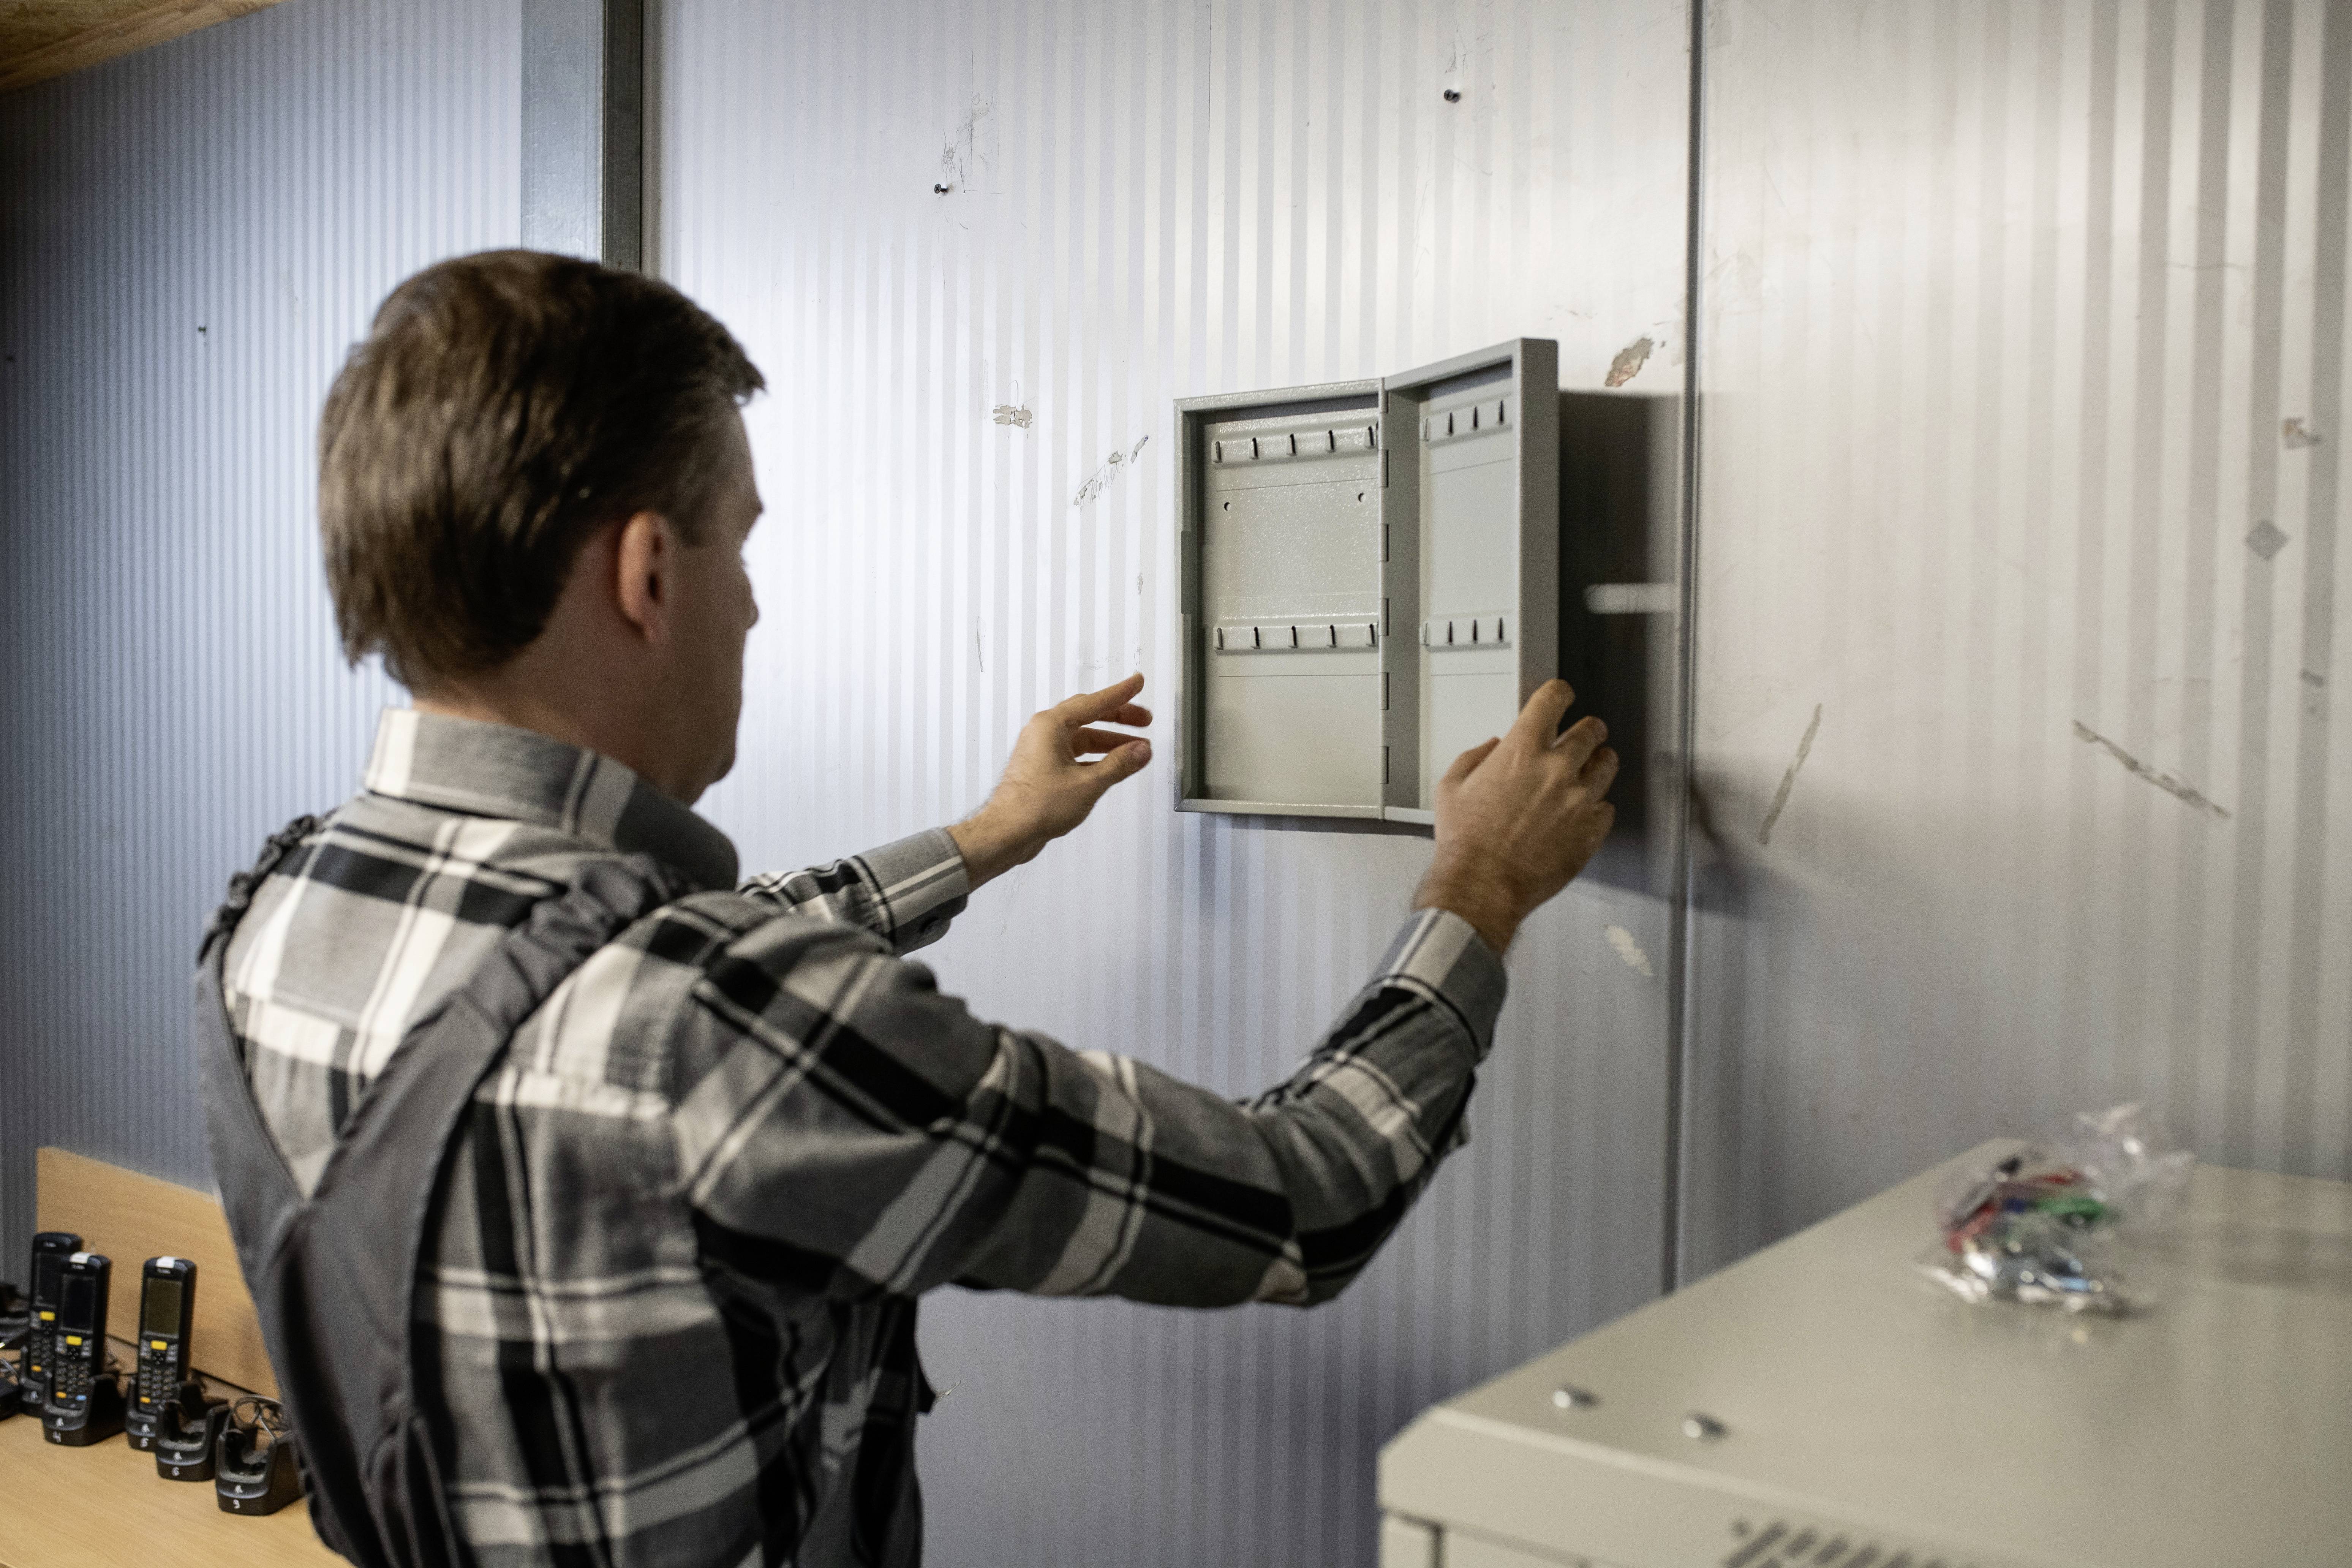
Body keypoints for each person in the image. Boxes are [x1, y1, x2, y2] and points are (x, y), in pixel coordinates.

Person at [209, 250, 1617, 1566]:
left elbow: (604, 981)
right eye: (737, 549)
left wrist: (988, 837)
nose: (750, 607)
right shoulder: (718, 1025)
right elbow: (1308, 1200)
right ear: (647, 576)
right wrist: (1477, 886)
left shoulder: (278, 915)